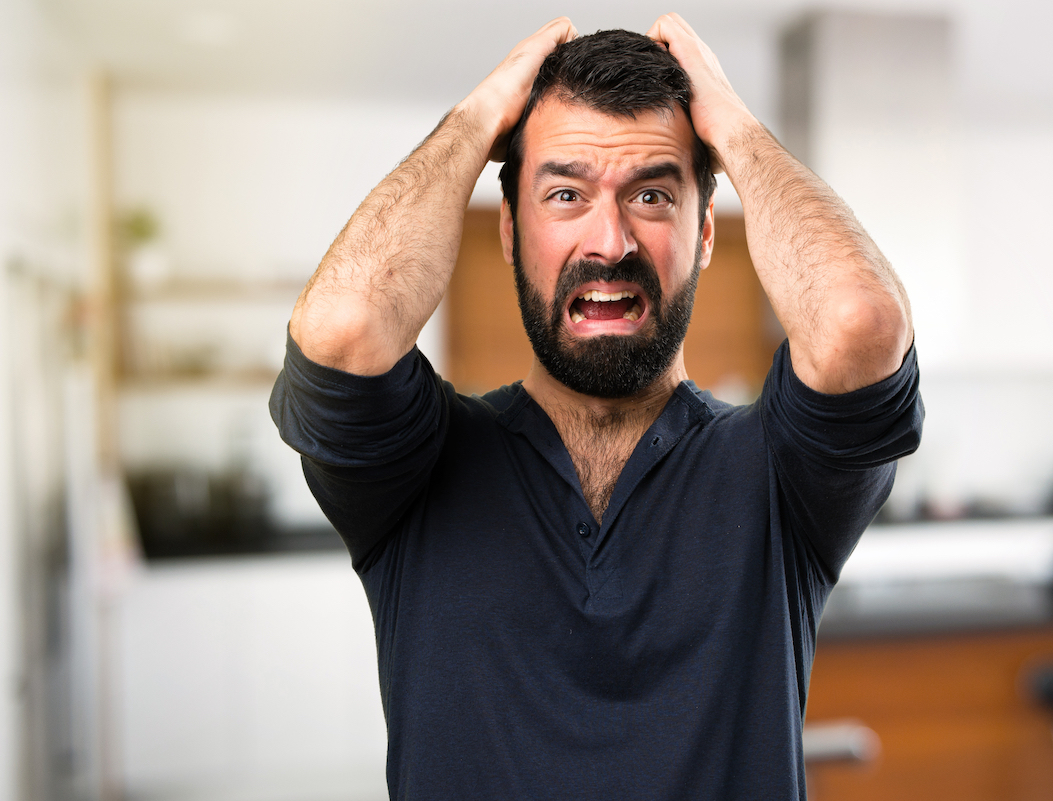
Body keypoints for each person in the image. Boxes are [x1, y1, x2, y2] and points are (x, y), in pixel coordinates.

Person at [271, 13, 922, 800]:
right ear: (509, 231)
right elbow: (341, 328)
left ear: (706, 233)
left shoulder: (781, 474)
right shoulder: (415, 467)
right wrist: (478, 119)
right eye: (565, 192)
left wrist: (736, 127)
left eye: (652, 193)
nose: (609, 240)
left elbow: (860, 322)